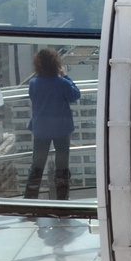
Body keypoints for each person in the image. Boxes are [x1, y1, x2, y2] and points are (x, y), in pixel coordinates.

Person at [24, 48, 80, 201]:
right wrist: (65, 75)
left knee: (37, 166)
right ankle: (62, 200)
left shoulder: (34, 83)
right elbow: (75, 95)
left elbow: (33, 97)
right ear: (56, 64)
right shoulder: (62, 83)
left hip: (41, 128)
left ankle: (30, 199)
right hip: (61, 128)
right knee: (62, 167)